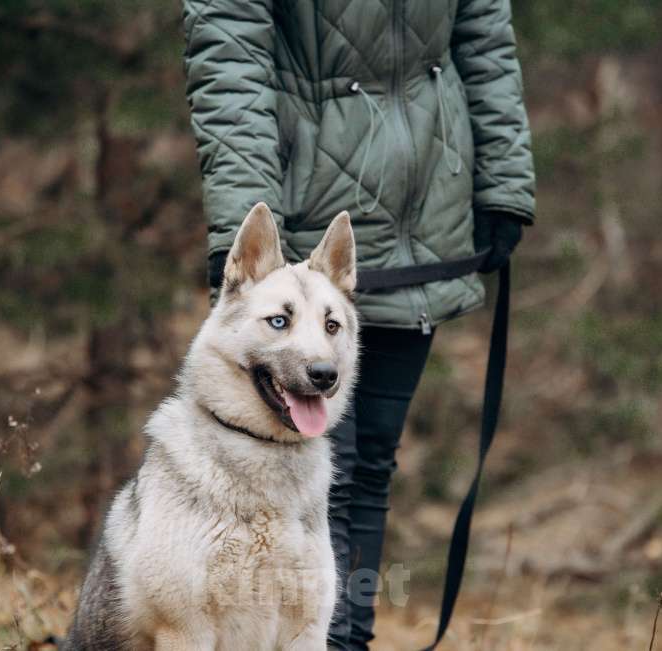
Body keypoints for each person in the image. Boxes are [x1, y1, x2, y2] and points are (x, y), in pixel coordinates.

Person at [183, 1, 535, 648]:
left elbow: (484, 31)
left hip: (427, 217)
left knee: (367, 467)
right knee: (317, 479)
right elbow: (229, 55)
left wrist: (503, 182)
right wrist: (242, 222)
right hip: (302, 218)